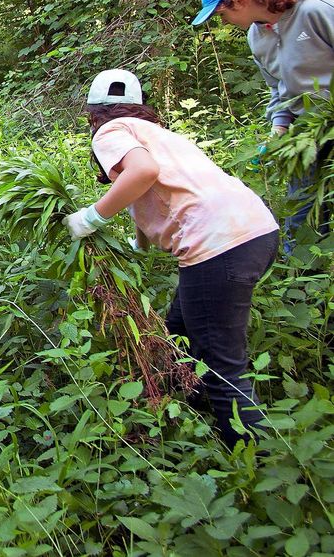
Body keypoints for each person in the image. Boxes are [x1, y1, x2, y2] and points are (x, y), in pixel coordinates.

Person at [63, 69, 279, 449]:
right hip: (256, 232)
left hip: (217, 247)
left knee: (222, 366)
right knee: (178, 327)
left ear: (93, 114)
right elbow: (155, 191)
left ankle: (255, 466)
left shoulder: (110, 132)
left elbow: (143, 174)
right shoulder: (160, 135)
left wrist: (92, 216)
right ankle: (190, 413)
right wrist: (137, 245)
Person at [192, 0, 334, 251]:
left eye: (222, 14)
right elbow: (279, 88)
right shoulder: (257, 37)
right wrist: (278, 128)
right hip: (305, 132)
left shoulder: (318, 10)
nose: (224, 22)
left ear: (239, 2)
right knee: (302, 208)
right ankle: (302, 277)